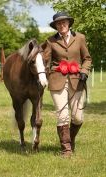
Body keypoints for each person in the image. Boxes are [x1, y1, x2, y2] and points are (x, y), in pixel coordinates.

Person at [41, 11, 92, 157]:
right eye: (58, 23)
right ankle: (66, 149)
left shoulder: (80, 38)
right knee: (62, 115)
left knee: (77, 117)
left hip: (77, 80)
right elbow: (45, 61)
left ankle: (71, 138)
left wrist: (84, 70)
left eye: (64, 22)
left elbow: (87, 58)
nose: (61, 25)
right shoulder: (50, 41)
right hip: (57, 79)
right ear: (55, 26)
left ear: (69, 23)